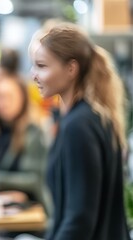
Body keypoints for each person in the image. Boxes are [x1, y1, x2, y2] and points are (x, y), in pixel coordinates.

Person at [29, 22, 130, 240]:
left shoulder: (78, 125)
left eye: (42, 66)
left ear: (71, 69)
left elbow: (79, 220)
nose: (33, 75)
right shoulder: (91, 118)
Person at [0, 75, 50, 214]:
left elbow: (35, 180)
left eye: (8, 97)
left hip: (31, 213)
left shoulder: (34, 132)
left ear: (22, 98)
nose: (2, 103)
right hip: (1, 209)